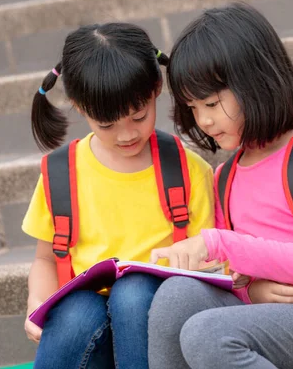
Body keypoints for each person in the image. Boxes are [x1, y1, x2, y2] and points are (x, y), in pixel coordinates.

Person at [147, 2, 293, 369]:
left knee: (206, 335)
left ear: (255, 82)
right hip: (264, 311)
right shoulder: (225, 177)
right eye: (194, 107)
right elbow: (238, 275)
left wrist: (218, 243)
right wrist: (252, 290)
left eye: (212, 103)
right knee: (175, 295)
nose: (204, 120)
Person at [22, 23, 214, 369]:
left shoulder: (187, 171)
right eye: (107, 124)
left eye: (138, 116)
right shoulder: (60, 174)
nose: (126, 135)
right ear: (80, 107)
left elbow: (212, 261)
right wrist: (38, 300)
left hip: (157, 332)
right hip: (88, 332)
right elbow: (46, 259)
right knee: (76, 311)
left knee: (133, 291)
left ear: (157, 88)